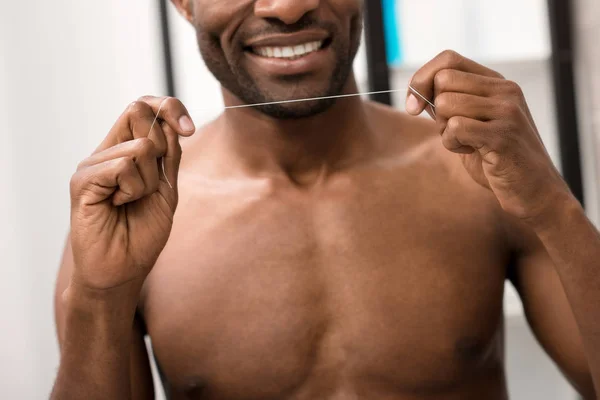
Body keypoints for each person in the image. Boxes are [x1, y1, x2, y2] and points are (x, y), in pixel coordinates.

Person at [51, 1, 600, 399]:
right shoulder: (130, 221)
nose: (289, 7)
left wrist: (554, 208)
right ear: (183, 4)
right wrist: (99, 300)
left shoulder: (477, 175)